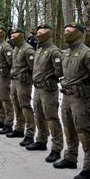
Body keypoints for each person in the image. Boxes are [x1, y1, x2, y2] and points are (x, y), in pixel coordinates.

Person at [53, 22, 90, 179]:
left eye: (69, 31)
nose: (66, 33)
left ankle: (89, 168)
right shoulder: (66, 52)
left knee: (83, 131)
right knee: (68, 128)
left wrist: (83, 83)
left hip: (80, 98)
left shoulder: (87, 54)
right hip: (67, 97)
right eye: (65, 30)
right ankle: (70, 158)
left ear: (78, 33)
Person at [26, 24, 64, 164]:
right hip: (38, 88)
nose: (38, 34)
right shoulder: (39, 49)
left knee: (51, 118)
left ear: (48, 34)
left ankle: (56, 148)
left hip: (48, 90)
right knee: (39, 115)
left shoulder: (54, 51)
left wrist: (50, 78)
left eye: (41, 32)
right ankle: (41, 140)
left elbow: (60, 71)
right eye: (38, 32)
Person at [7, 27, 35, 148]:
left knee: (25, 106)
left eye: (15, 35)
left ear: (22, 35)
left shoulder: (27, 49)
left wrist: (27, 76)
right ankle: (19, 128)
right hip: (14, 80)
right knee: (16, 104)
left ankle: (29, 134)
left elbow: (33, 67)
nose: (12, 37)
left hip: (23, 82)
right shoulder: (16, 48)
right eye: (11, 35)